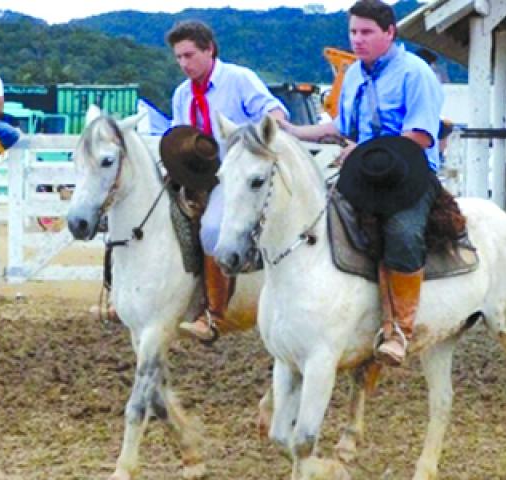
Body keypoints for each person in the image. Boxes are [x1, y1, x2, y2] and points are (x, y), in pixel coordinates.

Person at [278, 0, 443, 366]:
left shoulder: (415, 74)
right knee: (313, 217)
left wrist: (362, 151)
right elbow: (341, 128)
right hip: (364, 172)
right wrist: (292, 131)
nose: (358, 40)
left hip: (410, 173)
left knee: (402, 232)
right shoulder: (352, 75)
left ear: (389, 33)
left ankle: (399, 330)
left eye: (367, 32)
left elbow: (418, 136)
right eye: (353, 32)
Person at [165, 20, 288, 342]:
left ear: (209, 50)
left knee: (211, 229)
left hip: (234, 177)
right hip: (196, 174)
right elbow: (178, 136)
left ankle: (214, 313)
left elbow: (275, 112)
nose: (183, 64)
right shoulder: (182, 94)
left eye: (189, 55)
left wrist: (256, 138)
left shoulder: (239, 80)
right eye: (178, 57)